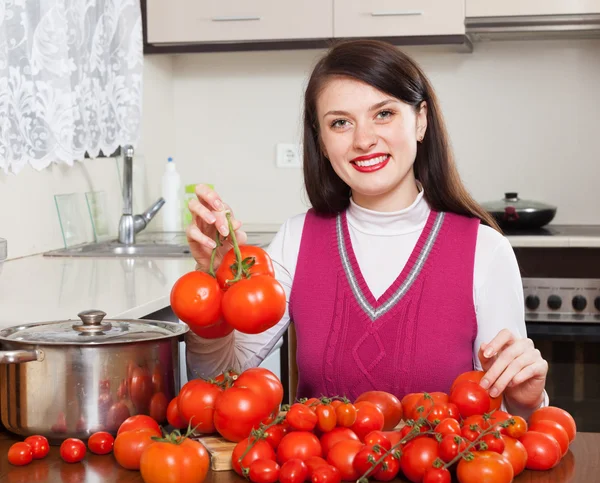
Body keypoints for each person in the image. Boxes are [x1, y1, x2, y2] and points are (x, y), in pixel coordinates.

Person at [184, 39, 548, 418]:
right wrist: (216, 290)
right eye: (340, 123)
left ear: (420, 120)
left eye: (384, 114)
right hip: (315, 476)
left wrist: (527, 401)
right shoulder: (295, 240)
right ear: (321, 142)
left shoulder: (485, 251)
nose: (363, 140)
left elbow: (505, 424)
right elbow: (220, 379)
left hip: (440, 476)